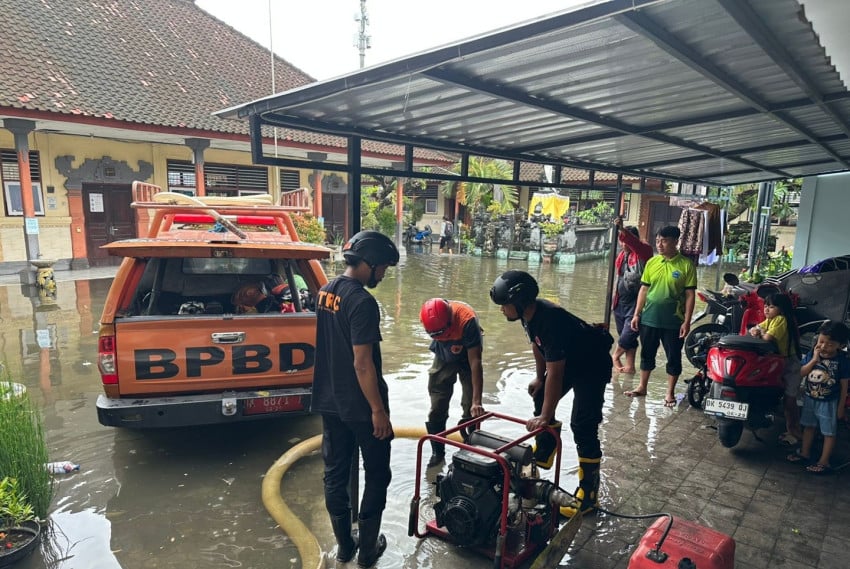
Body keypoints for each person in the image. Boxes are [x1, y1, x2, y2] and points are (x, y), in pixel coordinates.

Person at [490, 270, 613, 517]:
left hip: (592, 365)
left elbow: (556, 373)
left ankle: (589, 495)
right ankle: (546, 448)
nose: (502, 310)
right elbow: (539, 347)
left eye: (504, 305)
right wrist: (538, 377)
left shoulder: (551, 320)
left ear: (520, 301)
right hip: (570, 360)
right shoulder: (528, 316)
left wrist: (545, 416)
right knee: (541, 393)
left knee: (583, 424)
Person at [311, 230, 399, 568]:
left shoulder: (325, 292)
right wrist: (377, 410)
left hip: (330, 401)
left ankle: (345, 546)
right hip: (362, 408)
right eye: (383, 269)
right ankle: (366, 553)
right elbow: (362, 363)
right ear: (370, 264)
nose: (383, 275)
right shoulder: (362, 301)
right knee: (377, 475)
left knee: (335, 473)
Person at [625, 225, 696, 407]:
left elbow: (690, 295)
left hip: (673, 321)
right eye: (658, 241)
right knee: (647, 353)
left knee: (673, 356)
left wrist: (687, 321)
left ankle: (669, 393)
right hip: (649, 318)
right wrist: (636, 314)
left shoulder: (686, 265)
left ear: (675, 242)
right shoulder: (652, 263)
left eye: (664, 241)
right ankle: (642, 386)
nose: (660, 245)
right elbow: (643, 289)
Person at [419, 298, 486, 467]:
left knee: (471, 405)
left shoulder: (467, 321)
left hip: (468, 354)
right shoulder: (429, 319)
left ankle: (471, 449)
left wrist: (476, 401)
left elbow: (475, 362)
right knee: (437, 403)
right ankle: (438, 452)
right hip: (444, 355)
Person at [787, 320, 850, 474]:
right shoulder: (813, 354)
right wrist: (814, 359)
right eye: (821, 341)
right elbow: (801, 373)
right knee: (809, 426)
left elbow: (844, 386)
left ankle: (824, 461)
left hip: (829, 403)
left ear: (840, 345)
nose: (823, 346)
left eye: (829, 344)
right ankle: (805, 453)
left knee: (829, 432)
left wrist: (841, 408)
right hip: (810, 399)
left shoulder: (842, 361)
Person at [749, 292, 802, 445]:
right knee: (785, 399)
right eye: (765, 306)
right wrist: (757, 330)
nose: (767, 309)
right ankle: (791, 429)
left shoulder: (780, 319)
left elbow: (766, 338)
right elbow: (755, 329)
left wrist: (759, 332)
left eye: (771, 307)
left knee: (790, 401)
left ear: (781, 309)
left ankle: (796, 433)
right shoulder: (771, 319)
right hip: (781, 362)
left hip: (790, 364)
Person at [610, 218, 653, 374]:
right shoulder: (622, 256)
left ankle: (614, 356)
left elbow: (637, 245)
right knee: (627, 337)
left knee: (628, 334)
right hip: (620, 302)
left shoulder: (644, 252)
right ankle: (630, 367)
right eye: (621, 242)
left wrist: (622, 228)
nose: (623, 244)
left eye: (625, 240)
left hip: (636, 304)